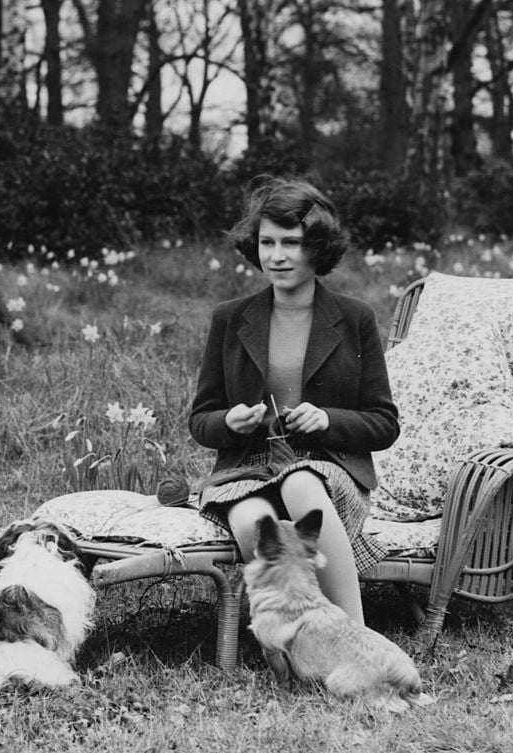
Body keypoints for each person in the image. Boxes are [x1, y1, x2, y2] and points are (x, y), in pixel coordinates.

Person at [189, 177, 399, 624]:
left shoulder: (354, 317)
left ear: (318, 248)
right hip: (248, 469)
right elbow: (201, 420)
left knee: (299, 483)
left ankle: (354, 634)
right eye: (267, 242)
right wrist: (231, 422)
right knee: (251, 523)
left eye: (291, 242)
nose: (277, 255)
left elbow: (384, 424)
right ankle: (295, 636)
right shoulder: (230, 318)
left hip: (328, 467)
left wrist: (326, 419)